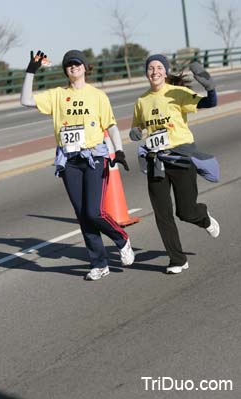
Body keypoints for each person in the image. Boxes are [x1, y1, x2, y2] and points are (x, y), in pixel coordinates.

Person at [20, 49, 134, 280]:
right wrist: (31, 70)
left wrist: (119, 150)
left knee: (94, 211)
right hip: (69, 161)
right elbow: (25, 100)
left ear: (85, 67)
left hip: (94, 158)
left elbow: (110, 125)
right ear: (66, 70)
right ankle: (99, 264)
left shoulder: (97, 95)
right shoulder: (57, 95)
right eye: (69, 65)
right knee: (83, 215)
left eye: (77, 64)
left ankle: (121, 239)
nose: (73, 67)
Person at [129, 54, 220, 274]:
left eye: (159, 67)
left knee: (186, 212)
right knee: (162, 214)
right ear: (146, 72)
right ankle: (177, 260)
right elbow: (136, 130)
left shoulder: (177, 93)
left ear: (166, 71)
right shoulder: (142, 101)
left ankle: (203, 217)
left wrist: (210, 88)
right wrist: (135, 132)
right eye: (151, 68)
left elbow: (209, 103)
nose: (155, 71)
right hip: (156, 160)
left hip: (180, 157)